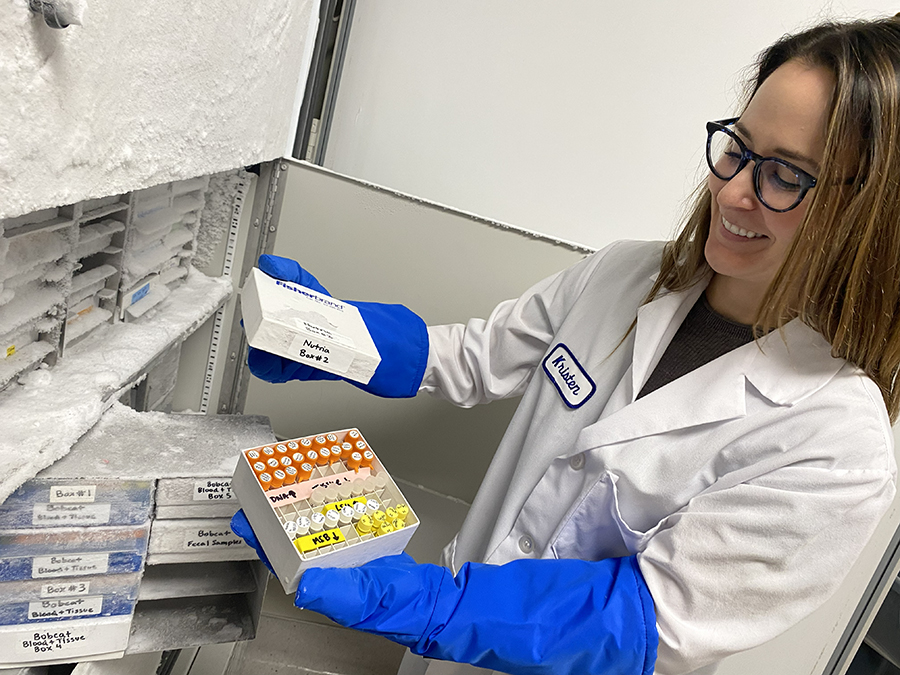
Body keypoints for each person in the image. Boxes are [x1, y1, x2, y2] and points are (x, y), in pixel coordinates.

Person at [232, 16, 900, 675]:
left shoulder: (836, 443)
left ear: (872, 214)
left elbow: (639, 619)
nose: (731, 190)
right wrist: (338, 338)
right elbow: (479, 355)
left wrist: (438, 604)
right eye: (738, 148)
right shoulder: (627, 273)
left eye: (785, 176)